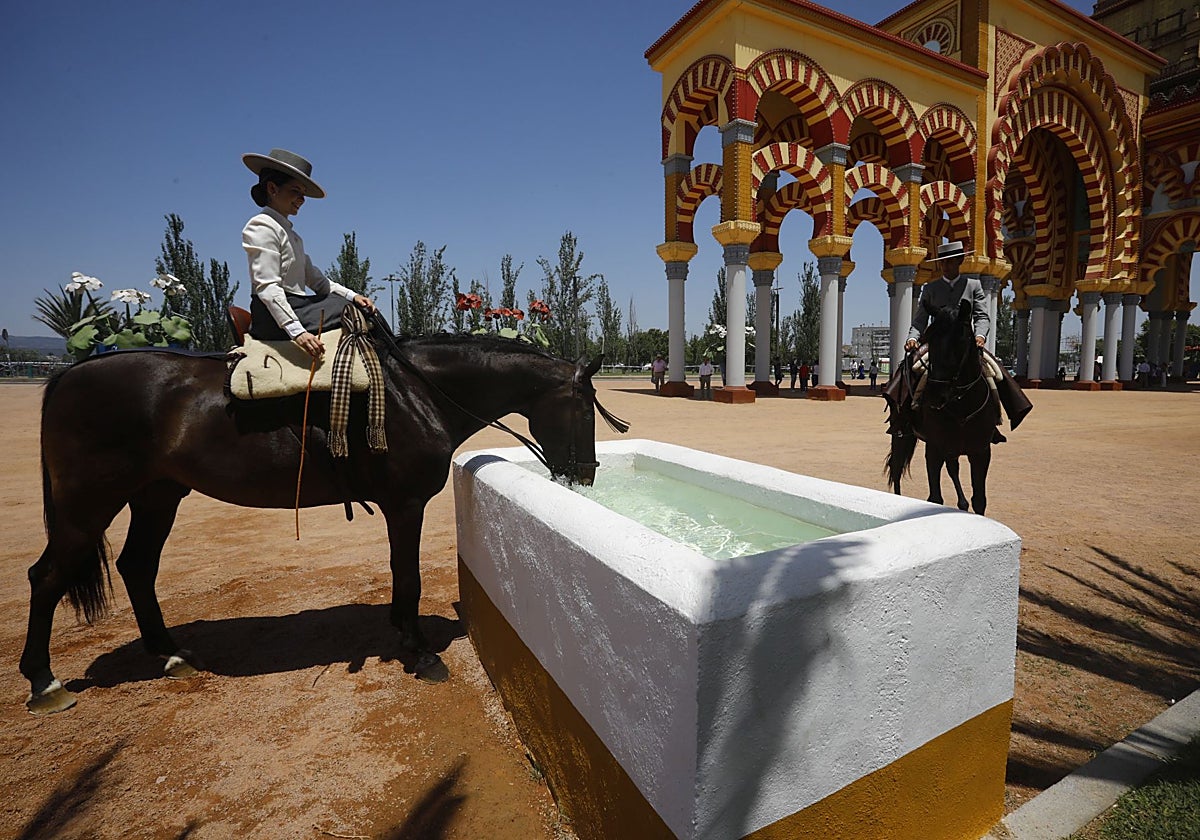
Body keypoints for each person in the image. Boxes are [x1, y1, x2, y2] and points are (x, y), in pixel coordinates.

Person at [241, 148, 375, 359]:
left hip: (298, 306)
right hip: (273, 316)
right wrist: (297, 332)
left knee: (357, 307)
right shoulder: (261, 226)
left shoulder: (290, 234)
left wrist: (354, 296)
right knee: (347, 309)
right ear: (272, 188)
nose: (302, 199)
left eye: (303, 193)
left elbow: (318, 281)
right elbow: (267, 286)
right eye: (295, 191)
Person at [897, 240, 1031, 435]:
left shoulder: (973, 286)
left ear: (960, 261)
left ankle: (997, 418)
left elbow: (982, 316)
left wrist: (979, 335)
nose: (946, 266)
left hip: (965, 342)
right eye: (943, 262)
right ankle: (903, 418)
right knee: (911, 368)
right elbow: (920, 320)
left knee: (996, 373)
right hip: (939, 344)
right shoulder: (931, 288)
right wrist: (912, 338)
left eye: (950, 262)